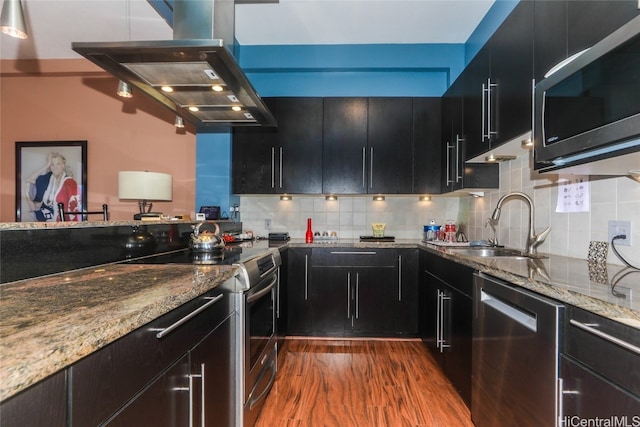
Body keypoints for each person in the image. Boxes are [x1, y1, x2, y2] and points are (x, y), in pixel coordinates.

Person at [23, 152, 81, 221]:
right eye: (52, 164)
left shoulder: (70, 182)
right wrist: (47, 166)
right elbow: (29, 180)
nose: (55, 167)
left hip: (60, 219)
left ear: (63, 165)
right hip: (42, 214)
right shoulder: (47, 178)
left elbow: (73, 208)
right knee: (23, 218)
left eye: (58, 164)